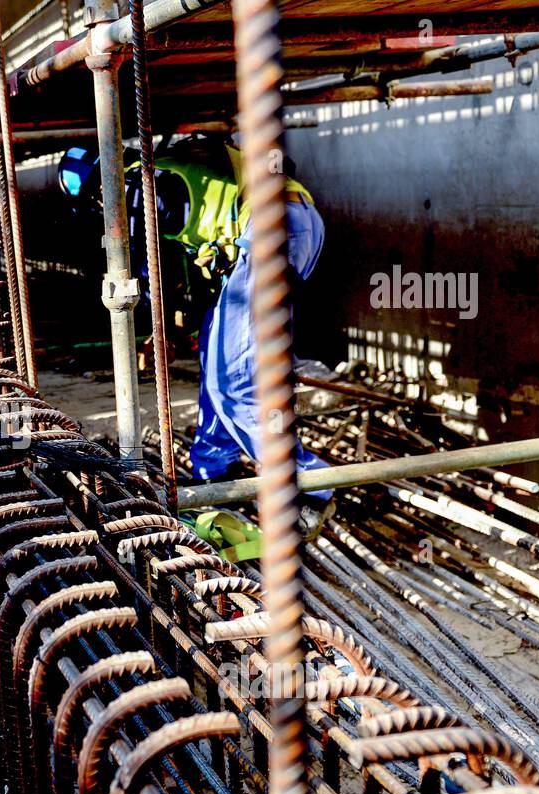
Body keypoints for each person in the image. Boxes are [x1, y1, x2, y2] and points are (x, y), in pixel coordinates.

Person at [59, 138, 333, 530]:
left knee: (232, 381)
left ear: (101, 185)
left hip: (274, 229)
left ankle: (311, 486)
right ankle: (215, 467)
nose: (102, 211)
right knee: (214, 350)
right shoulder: (164, 169)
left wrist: (158, 323)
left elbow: (146, 257)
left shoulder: (139, 187)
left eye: (96, 202)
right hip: (281, 228)